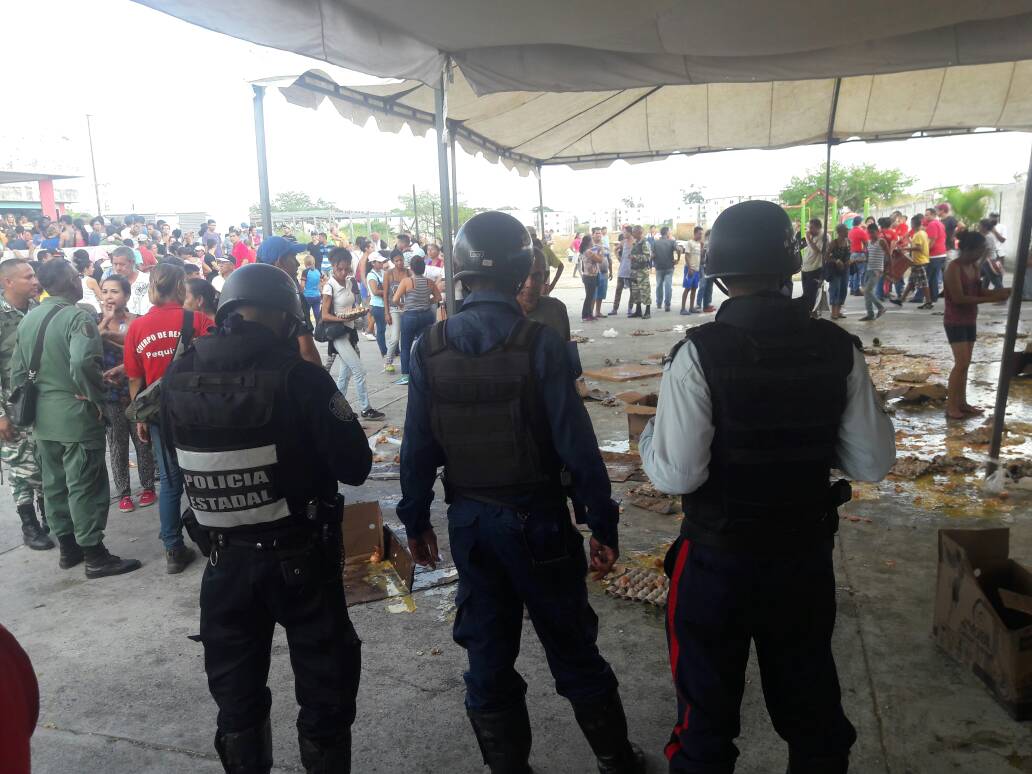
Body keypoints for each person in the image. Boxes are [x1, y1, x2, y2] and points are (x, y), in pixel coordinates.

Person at [640, 200, 896, 774]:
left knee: (704, 724)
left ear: (721, 276)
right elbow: (873, 463)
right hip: (802, 560)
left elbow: (677, 474)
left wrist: (650, 436)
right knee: (812, 714)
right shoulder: (838, 348)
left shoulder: (697, 354)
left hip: (716, 563)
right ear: (790, 270)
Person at [397, 211, 645, 774]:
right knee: (573, 649)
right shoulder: (541, 343)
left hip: (471, 526)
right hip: (539, 525)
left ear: (461, 271)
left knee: (486, 658)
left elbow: (417, 450)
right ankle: (617, 763)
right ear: (521, 271)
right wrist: (601, 524)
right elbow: (577, 448)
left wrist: (416, 522)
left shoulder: (429, 348)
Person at [160, 262, 371, 773]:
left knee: (237, 703)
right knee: (325, 694)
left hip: (223, 565)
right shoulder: (300, 377)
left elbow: (175, 462)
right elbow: (356, 466)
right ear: (286, 318)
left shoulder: (179, 374)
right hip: (301, 563)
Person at [12, 260, 142, 578]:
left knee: (55, 484)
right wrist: (95, 397)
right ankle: (95, 555)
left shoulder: (30, 319)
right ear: (67, 282)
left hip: (43, 418)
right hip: (75, 414)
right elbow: (83, 362)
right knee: (86, 484)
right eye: (75, 277)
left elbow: (16, 371)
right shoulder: (77, 316)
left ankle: (69, 549)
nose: (79, 281)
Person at [125, 263, 211, 574]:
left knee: (171, 482)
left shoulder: (137, 327)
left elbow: (135, 381)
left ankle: (173, 548)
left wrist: (140, 419)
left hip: (159, 415)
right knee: (205, 474)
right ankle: (217, 536)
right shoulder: (197, 320)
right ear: (180, 288)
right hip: (198, 411)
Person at [0, 259, 50, 550]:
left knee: (43, 460)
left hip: (42, 399)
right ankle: (29, 524)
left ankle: (49, 518)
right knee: (19, 465)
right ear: (8, 282)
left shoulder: (38, 310)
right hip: (12, 404)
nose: (35, 281)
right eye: (28, 276)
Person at [97, 274, 157, 513]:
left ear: (127, 295)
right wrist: (107, 320)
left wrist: (124, 362)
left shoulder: (139, 322)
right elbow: (90, 343)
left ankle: (148, 486)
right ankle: (123, 492)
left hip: (137, 392)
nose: (109, 296)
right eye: (105, 291)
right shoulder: (95, 321)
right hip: (110, 395)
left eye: (114, 291)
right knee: (117, 445)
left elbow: (141, 351)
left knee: (143, 442)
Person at [943, 231, 1012, 420]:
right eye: (980, 250)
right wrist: (992, 299)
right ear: (968, 249)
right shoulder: (953, 268)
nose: (982, 254)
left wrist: (998, 292)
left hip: (969, 319)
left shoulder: (974, 266)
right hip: (954, 320)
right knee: (961, 363)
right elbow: (958, 298)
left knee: (966, 364)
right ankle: (951, 407)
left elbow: (978, 290)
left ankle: (962, 403)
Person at [321, 248, 386, 420]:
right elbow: (324, 315)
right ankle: (366, 408)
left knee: (345, 373)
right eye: (339, 269)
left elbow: (352, 306)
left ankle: (335, 408)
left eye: (346, 269)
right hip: (338, 334)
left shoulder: (350, 282)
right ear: (333, 267)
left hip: (350, 331)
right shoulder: (329, 286)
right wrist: (342, 318)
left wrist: (357, 313)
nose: (343, 273)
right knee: (359, 370)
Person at [392, 256, 441, 384]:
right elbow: (438, 297)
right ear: (424, 268)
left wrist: (403, 305)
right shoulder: (429, 282)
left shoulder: (406, 281)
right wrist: (427, 301)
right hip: (426, 316)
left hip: (410, 316)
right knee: (425, 344)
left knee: (406, 346)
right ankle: (426, 371)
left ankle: (406, 376)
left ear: (411, 268)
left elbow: (395, 299)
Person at [518, 247, 571, 342]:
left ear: (545, 277)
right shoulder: (497, 315)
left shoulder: (556, 310)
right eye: (523, 275)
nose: (530, 284)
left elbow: (566, 352)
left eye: (537, 276)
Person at [891, 215, 932, 308]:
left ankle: (928, 302)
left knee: (923, 283)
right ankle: (901, 300)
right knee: (911, 282)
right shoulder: (923, 233)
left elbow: (918, 248)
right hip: (919, 261)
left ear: (913, 224)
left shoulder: (918, 235)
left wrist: (905, 248)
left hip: (919, 261)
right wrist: (908, 241)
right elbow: (919, 245)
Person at [382, 249, 410, 373]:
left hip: (407, 308)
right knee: (394, 338)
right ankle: (388, 361)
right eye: (396, 261)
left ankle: (408, 362)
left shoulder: (408, 272)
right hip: (394, 309)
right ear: (393, 262)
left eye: (401, 260)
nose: (399, 263)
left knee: (407, 337)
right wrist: (386, 312)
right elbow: (385, 294)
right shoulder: (388, 274)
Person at [110, 246, 152, 316]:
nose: (118, 268)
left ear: (132, 262)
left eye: (122, 264)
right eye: (115, 264)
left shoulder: (148, 281)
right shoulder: (111, 284)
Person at [859, 222, 888, 321]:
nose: (870, 235)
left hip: (877, 270)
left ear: (877, 232)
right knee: (867, 293)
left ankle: (881, 307)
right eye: (869, 233)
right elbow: (868, 257)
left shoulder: (881, 241)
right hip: (869, 269)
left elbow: (888, 255)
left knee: (867, 291)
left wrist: (886, 270)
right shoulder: (868, 243)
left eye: (872, 232)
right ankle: (870, 314)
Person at [800, 218, 827, 313]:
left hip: (815, 268)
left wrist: (809, 239)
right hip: (805, 268)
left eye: (812, 228)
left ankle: (810, 312)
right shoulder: (811, 235)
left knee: (811, 293)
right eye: (809, 227)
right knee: (805, 293)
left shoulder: (824, 236)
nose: (809, 230)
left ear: (818, 227)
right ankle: (806, 311)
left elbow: (818, 250)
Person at [923, 207, 948, 305]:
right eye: (925, 215)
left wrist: (926, 251)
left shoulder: (932, 224)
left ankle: (929, 298)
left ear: (933, 215)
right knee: (934, 277)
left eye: (927, 215)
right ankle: (933, 297)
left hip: (934, 255)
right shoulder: (940, 223)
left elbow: (932, 239)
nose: (925, 217)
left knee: (928, 278)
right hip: (941, 253)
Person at [365, 253, 388, 359]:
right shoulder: (371, 275)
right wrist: (388, 291)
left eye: (382, 262)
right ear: (373, 263)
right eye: (379, 262)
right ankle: (384, 351)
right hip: (378, 306)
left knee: (389, 329)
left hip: (385, 304)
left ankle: (394, 350)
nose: (382, 264)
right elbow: (375, 291)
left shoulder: (383, 272)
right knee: (381, 329)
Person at [826, 224, 850, 319]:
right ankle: (834, 312)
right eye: (845, 231)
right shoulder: (833, 243)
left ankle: (838, 311)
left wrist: (849, 260)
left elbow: (849, 254)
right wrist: (836, 261)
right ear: (840, 232)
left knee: (843, 290)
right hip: (835, 270)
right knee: (835, 289)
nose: (847, 232)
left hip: (845, 269)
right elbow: (826, 257)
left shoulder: (848, 242)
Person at [628, 225, 652, 319]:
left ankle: (648, 312)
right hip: (635, 271)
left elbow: (647, 257)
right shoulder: (636, 242)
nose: (632, 234)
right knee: (636, 292)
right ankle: (638, 311)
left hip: (642, 272)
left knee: (645, 291)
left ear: (639, 232)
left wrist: (635, 257)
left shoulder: (644, 243)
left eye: (633, 232)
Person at [577, 233, 602, 322]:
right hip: (590, 277)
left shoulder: (587, 250)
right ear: (588, 242)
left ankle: (589, 314)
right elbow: (600, 260)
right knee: (589, 297)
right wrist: (600, 251)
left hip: (590, 276)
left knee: (590, 296)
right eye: (591, 240)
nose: (593, 242)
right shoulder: (588, 251)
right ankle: (585, 315)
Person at [652, 226, 677, 312]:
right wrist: (677, 259)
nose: (670, 233)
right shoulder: (672, 242)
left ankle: (659, 303)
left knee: (659, 285)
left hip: (659, 267)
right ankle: (667, 305)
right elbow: (679, 250)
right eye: (670, 231)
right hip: (669, 267)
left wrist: (652, 264)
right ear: (667, 233)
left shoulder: (655, 243)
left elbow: (653, 255)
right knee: (668, 286)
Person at [680, 227, 703, 315]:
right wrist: (689, 268)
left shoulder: (699, 244)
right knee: (687, 288)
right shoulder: (690, 243)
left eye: (702, 234)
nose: (701, 235)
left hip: (697, 270)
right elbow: (686, 256)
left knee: (694, 289)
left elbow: (699, 257)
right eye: (700, 233)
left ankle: (691, 308)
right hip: (690, 269)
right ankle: (682, 309)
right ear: (695, 233)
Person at [978, 218, 1005, 290]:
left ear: (985, 227)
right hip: (991, 260)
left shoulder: (988, 237)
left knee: (995, 281)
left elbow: (987, 251)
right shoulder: (989, 235)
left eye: (980, 226)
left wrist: (980, 262)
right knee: (987, 277)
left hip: (989, 262)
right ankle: (983, 291)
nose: (978, 227)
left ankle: (1002, 295)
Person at [846, 216, 868, 297]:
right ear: (860, 222)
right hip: (859, 253)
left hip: (852, 253)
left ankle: (852, 288)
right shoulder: (861, 232)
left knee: (853, 272)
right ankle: (856, 289)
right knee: (858, 272)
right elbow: (866, 243)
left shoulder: (850, 231)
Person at [300, 254, 322, 328]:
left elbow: (302, 285)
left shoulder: (305, 272)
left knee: (306, 314)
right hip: (317, 296)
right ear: (314, 262)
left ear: (305, 263)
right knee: (317, 313)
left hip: (307, 296)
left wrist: (301, 293)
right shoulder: (317, 271)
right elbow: (319, 285)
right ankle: (319, 330)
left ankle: (309, 330)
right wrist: (321, 293)